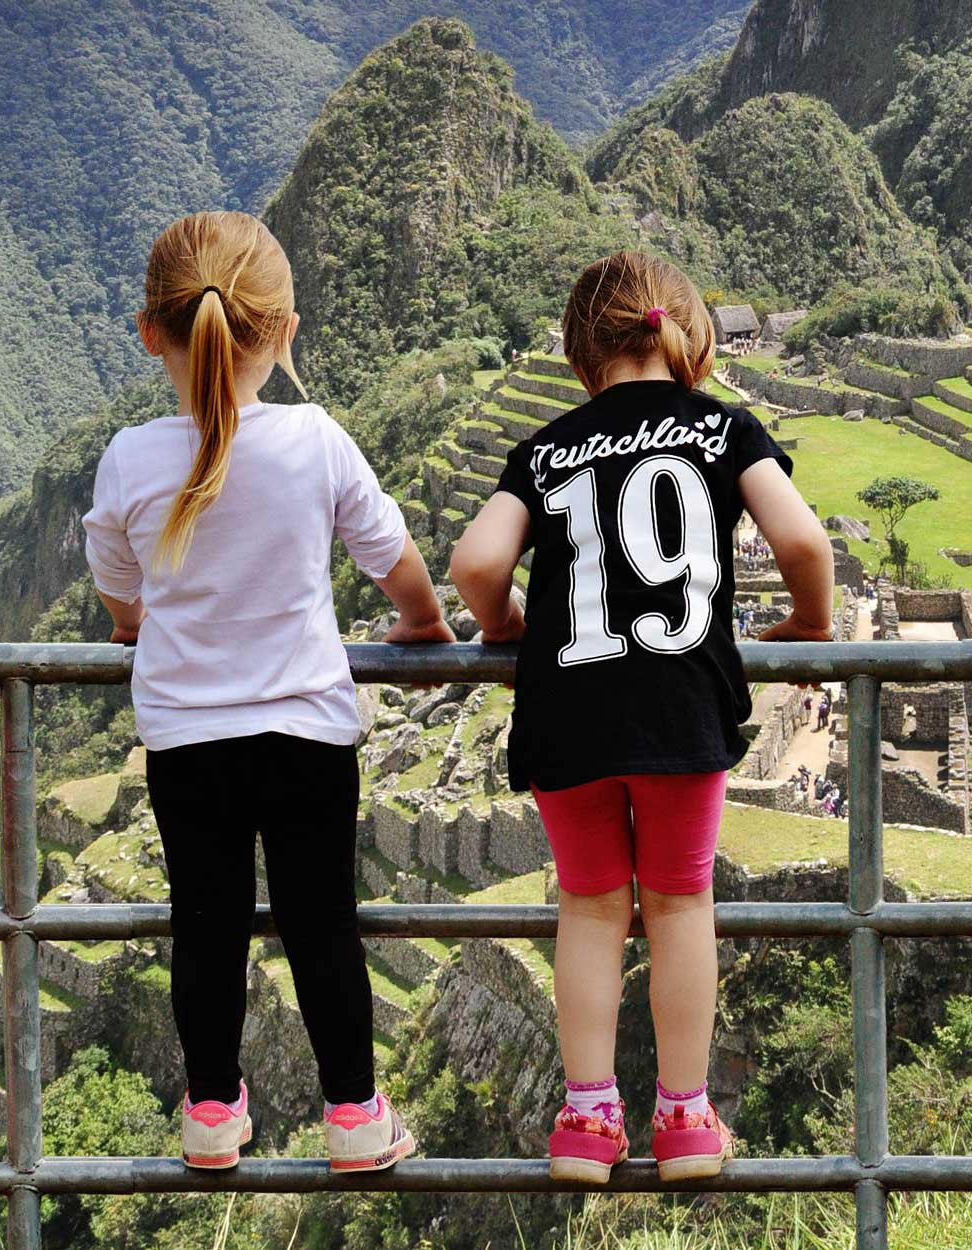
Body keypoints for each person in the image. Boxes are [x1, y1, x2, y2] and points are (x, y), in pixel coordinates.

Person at [81, 211, 454, 1173]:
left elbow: (118, 592)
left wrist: (135, 629)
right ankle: (356, 1119)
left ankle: (210, 1114)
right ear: (284, 331)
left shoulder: (129, 458)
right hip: (306, 736)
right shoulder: (316, 440)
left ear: (149, 332)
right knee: (321, 924)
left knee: (204, 926)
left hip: (187, 745)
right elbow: (393, 560)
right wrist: (421, 623)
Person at [450, 251, 834, 1184]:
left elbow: (474, 565)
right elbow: (802, 540)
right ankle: (686, 1117)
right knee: (678, 900)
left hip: (566, 706)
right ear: (688, 336)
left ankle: (586, 1119)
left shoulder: (543, 449)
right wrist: (811, 624)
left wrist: (505, 629)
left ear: (584, 353)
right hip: (679, 705)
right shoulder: (724, 430)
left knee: (588, 904)